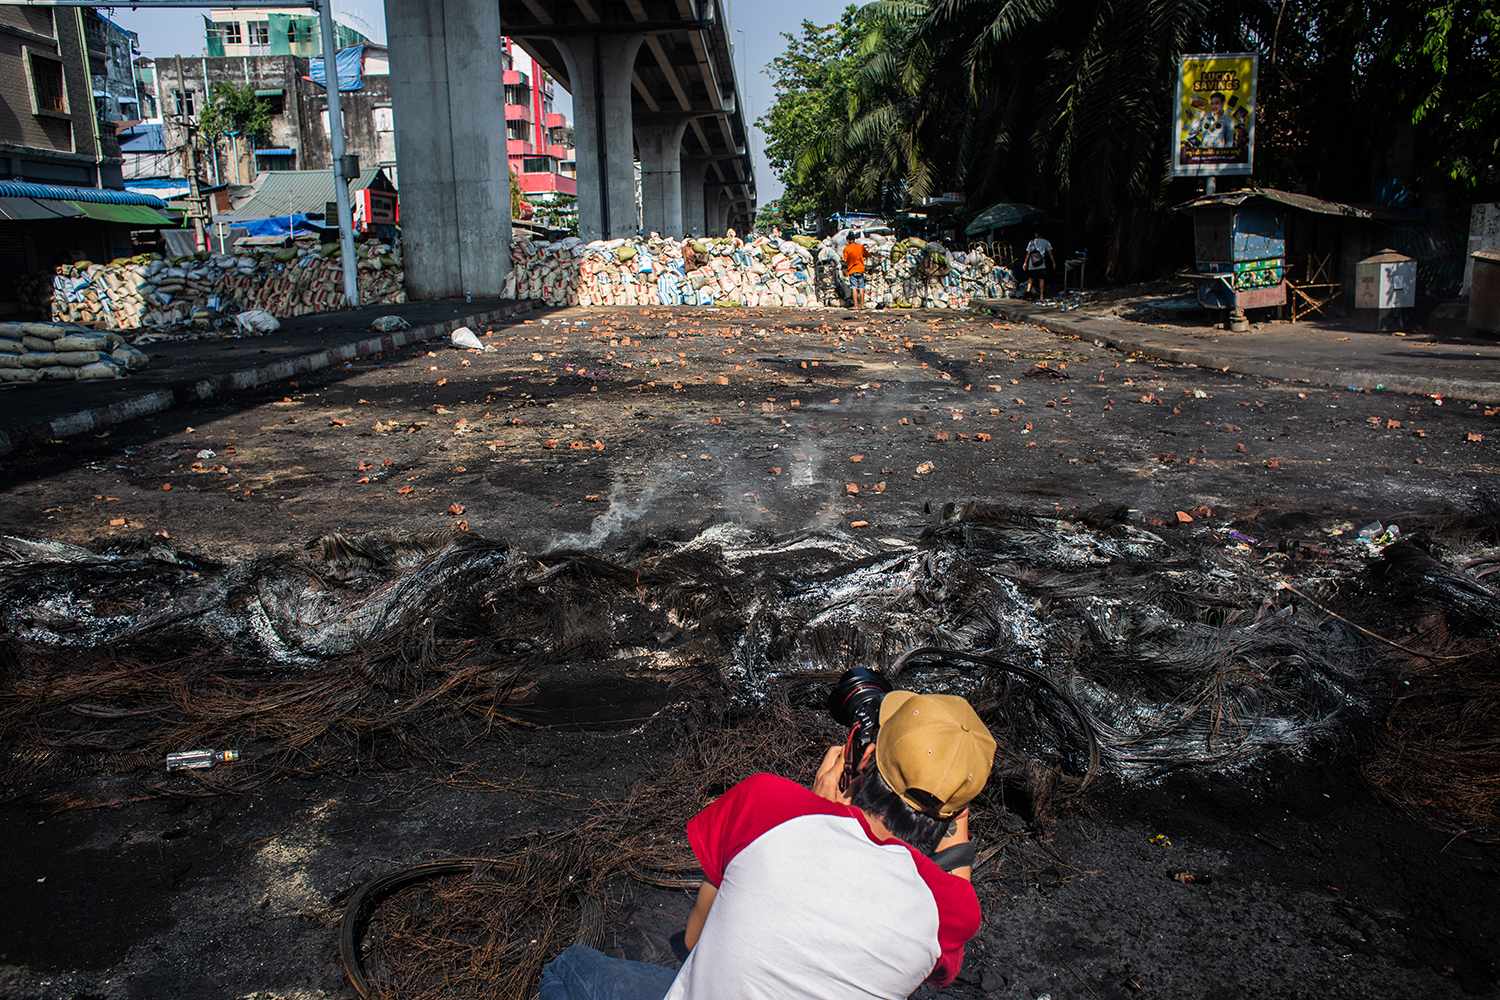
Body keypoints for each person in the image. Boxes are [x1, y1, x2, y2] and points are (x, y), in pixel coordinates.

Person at [539, 691, 998, 1000]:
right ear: (957, 814)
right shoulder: (953, 911)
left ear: (867, 755)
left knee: (568, 967)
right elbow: (949, 902)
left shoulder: (769, 802)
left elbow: (696, 939)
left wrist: (820, 813)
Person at [1021, 230, 1055, 301]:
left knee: (1031, 278)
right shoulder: (1046, 242)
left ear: (1037, 234)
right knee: (1041, 280)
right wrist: (1053, 262)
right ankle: (1041, 295)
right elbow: (1050, 253)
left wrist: (1025, 263)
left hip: (1032, 263)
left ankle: (1028, 292)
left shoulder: (1031, 242)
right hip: (1041, 264)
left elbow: (1028, 253)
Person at [843, 236, 868, 309]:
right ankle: (862, 305)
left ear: (848, 240)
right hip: (860, 269)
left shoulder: (846, 248)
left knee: (854, 287)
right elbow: (867, 254)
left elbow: (845, 259)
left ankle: (856, 306)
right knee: (861, 287)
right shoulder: (860, 247)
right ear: (854, 239)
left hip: (852, 270)